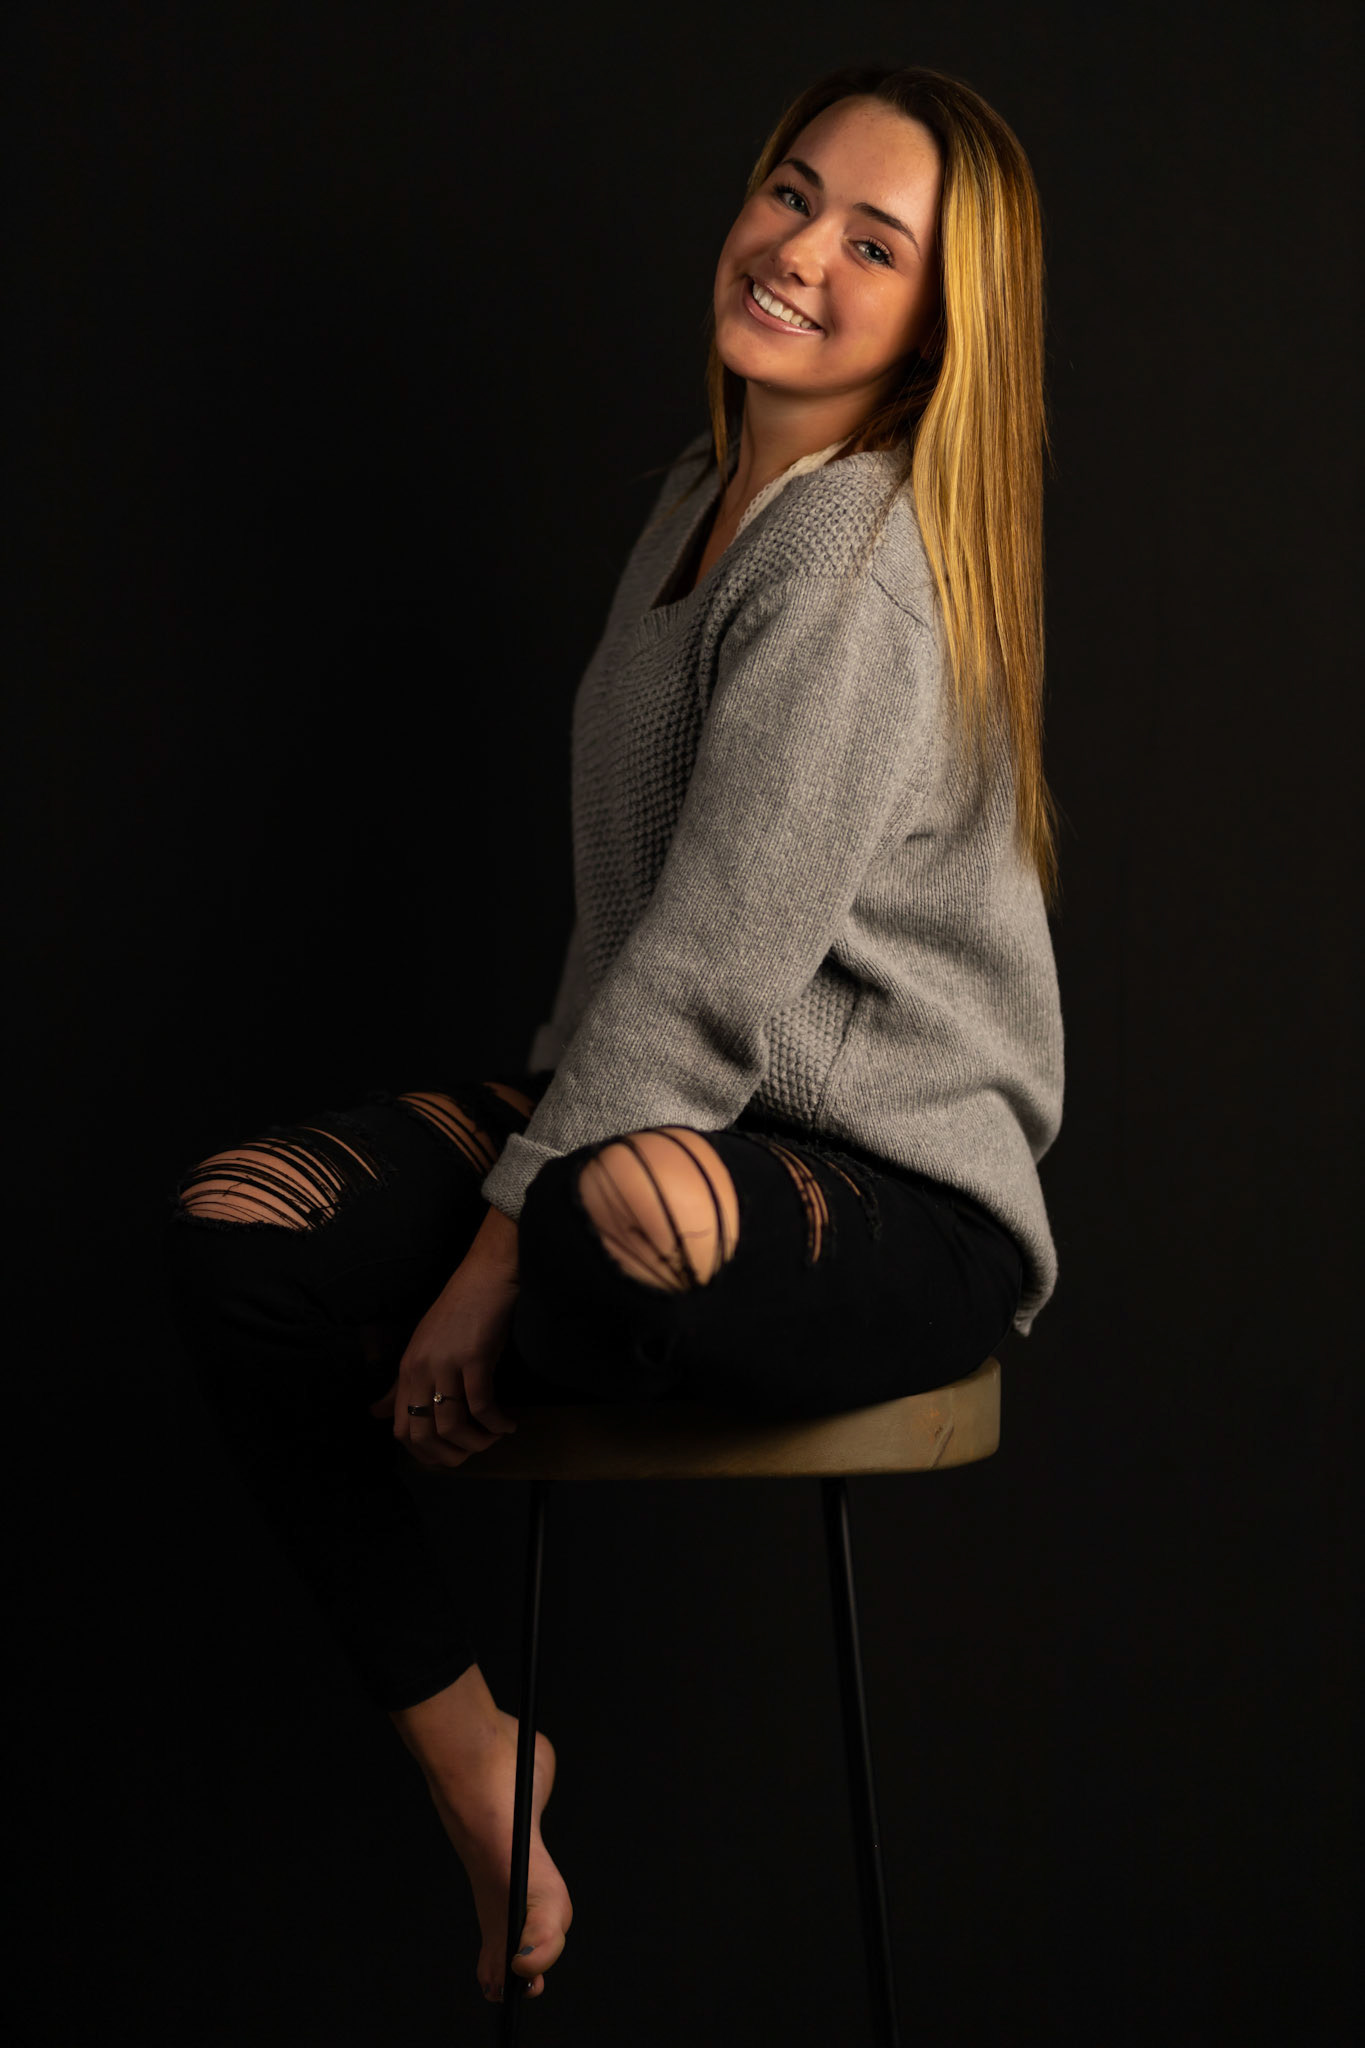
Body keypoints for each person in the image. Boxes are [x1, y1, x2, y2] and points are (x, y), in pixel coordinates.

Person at [161, 60, 1064, 2010]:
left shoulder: (859, 559)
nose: (798, 251)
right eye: (789, 192)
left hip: (889, 1188)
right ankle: (476, 1759)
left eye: (873, 242)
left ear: (938, 320)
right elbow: (633, 944)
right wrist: (519, 1202)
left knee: (598, 1221)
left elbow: (715, 968)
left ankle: (539, 1286)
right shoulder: (695, 499)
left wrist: (492, 1251)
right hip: (662, 1118)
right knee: (241, 1229)